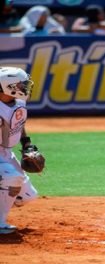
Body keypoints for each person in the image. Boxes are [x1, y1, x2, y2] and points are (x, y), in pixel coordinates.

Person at [0, 67, 42, 234]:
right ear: (7, 86)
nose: (25, 87)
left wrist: (27, 144)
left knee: (26, 196)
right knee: (12, 177)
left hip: (5, 153)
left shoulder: (18, 102)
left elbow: (18, 123)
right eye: (20, 85)